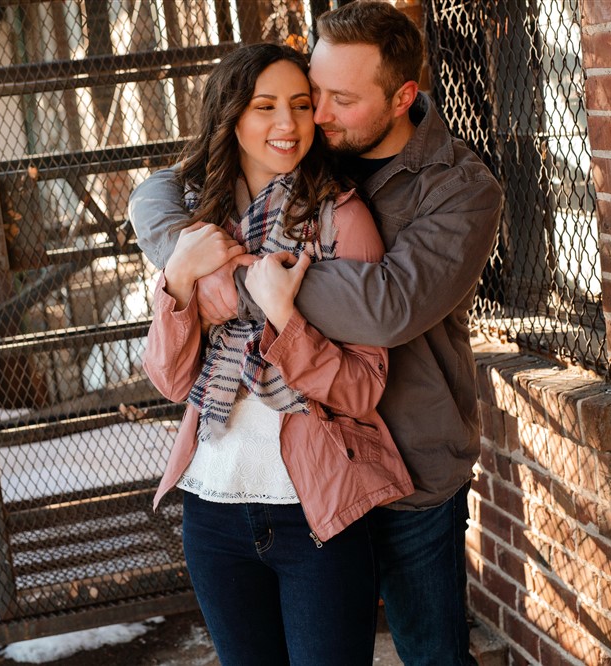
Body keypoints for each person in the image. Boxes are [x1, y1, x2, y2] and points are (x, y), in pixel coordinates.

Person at [131, 3, 504, 663]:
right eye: (311, 91)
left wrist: (233, 279)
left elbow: (387, 309)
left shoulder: (461, 190)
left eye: (336, 99)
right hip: (301, 478)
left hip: (412, 466)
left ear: (401, 99)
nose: (313, 116)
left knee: (431, 652)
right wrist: (185, 268)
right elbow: (161, 190)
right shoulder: (299, 152)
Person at [140, 42, 414, 666]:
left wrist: (285, 317)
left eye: (299, 104)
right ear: (232, 116)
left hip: (313, 514)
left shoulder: (343, 221)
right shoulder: (196, 223)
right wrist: (178, 279)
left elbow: (360, 391)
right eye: (265, 107)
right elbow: (171, 378)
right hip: (212, 509)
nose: (287, 125)